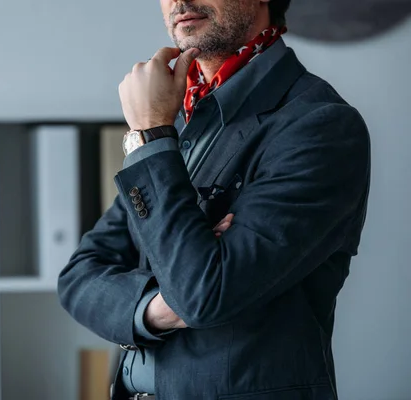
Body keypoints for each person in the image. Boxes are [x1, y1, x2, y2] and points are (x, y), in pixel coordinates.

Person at [57, 0, 371, 398]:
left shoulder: (319, 125)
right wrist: (156, 311)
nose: (179, 1)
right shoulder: (185, 118)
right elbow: (78, 277)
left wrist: (150, 134)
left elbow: (202, 294)